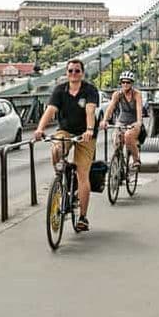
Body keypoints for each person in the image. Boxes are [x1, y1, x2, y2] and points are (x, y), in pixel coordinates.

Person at [34, 59, 98, 232]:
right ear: (66, 73)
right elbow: (50, 111)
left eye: (77, 71)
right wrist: (40, 129)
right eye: (70, 71)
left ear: (82, 73)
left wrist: (90, 129)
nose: (73, 74)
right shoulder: (60, 90)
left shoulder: (90, 90)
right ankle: (60, 178)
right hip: (66, 131)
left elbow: (90, 110)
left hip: (86, 134)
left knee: (82, 174)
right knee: (56, 148)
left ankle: (83, 217)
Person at [100, 71, 144, 169]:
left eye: (128, 82)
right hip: (122, 121)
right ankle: (120, 164)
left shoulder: (137, 94)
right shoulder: (117, 94)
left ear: (132, 83)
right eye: (123, 82)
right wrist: (105, 120)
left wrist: (139, 122)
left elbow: (139, 109)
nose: (125, 84)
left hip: (134, 122)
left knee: (128, 136)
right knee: (116, 139)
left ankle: (136, 159)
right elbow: (110, 108)